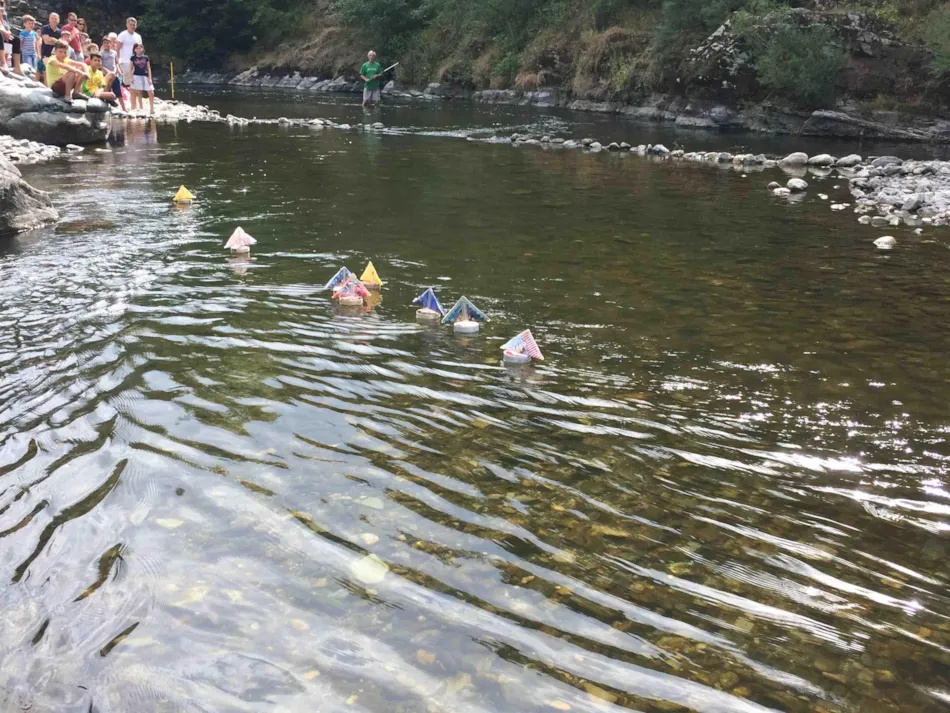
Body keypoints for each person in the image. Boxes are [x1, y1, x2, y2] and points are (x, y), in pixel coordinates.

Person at [99, 36, 125, 110]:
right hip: (105, 74)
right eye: (104, 43)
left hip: (114, 74)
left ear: (111, 44)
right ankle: (106, 104)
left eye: (108, 43)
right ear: (102, 44)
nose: (106, 44)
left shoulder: (114, 53)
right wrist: (107, 71)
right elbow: (100, 65)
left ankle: (124, 108)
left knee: (118, 91)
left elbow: (116, 63)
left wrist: (119, 70)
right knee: (106, 89)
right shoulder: (101, 53)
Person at [116, 17, 140, 89]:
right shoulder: (122, 35)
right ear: (127, 25)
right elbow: (117, 48)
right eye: (131, 24)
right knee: (126, 81)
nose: (132, 26)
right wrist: (117, 61)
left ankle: (134, 96)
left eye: (134, 25)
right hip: (125, 61)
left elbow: (140, 49)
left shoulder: (138, 36)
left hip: (136, 61)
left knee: (135, 80)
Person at [129, 43, 153, 114]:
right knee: (138, 91)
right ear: (134, 50)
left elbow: (148, 68)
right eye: (137, 48)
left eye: (140, 48)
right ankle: (137, 107)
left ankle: (152, 108)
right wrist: (131, 77)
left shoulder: (146, 57)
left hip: (145, 76)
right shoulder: (132, 58)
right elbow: (130, 68)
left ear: (142, 49)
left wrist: (150, 78)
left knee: (151, 91)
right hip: (136, 75)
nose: (139, 50)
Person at [37, 13, 60, 83]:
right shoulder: (45, 28)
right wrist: (56, 41)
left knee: (43, 70)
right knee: (45, 70)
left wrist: (52, 40)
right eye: (52, 18)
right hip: (45, 53)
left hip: (55, 55)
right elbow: (46, 41)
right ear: (49, 19)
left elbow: (61, 44)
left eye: (56, 19)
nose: (54, 20)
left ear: (58, 20)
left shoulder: (60, 31)